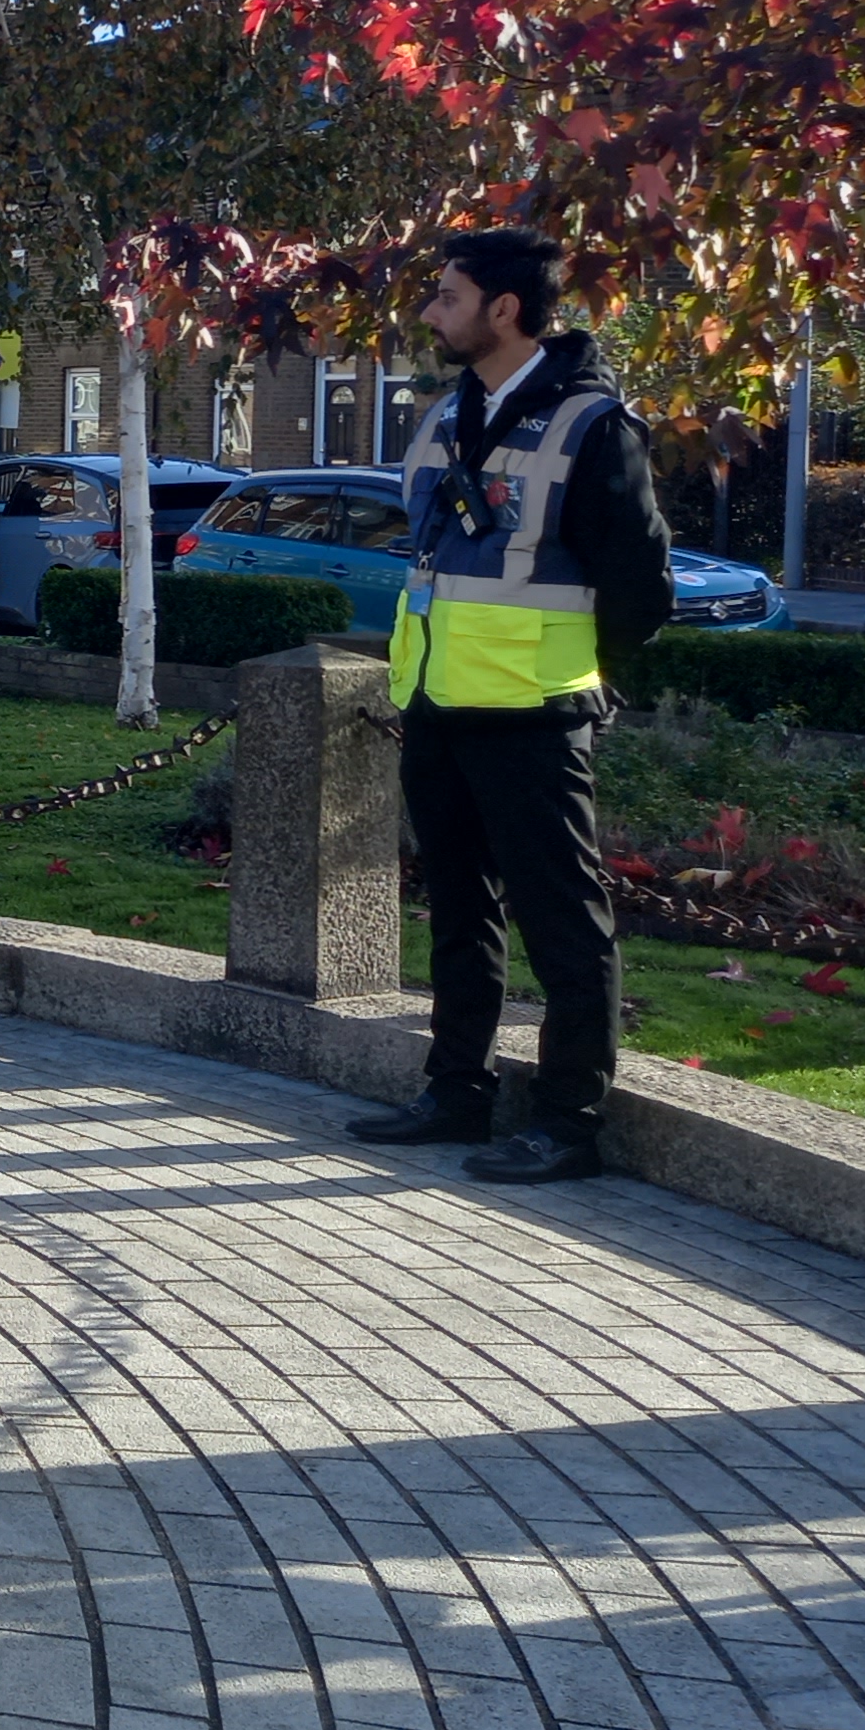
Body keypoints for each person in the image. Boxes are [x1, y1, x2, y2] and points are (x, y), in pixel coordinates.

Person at [349, 227, 674, 1183]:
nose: (428, 313)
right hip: (439, 700)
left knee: (561, 916)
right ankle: (457, 1091)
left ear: (504, 309)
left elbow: (642, 587)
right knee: (458, 906)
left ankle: (569, 1121)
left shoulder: (591, 424)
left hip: (532, 711)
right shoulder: (451, 412)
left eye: (446, 297)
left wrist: (578, 670)